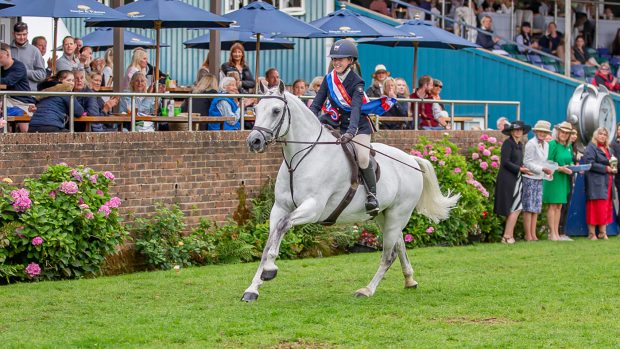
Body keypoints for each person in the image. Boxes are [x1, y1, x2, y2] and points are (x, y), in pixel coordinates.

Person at [309, 39, 396, 215]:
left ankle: (372, 195)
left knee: (363, 158)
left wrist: (351, 131)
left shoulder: (357, 82)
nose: (337, 62)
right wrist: (309, 121)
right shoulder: (328, 79)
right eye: (334, 59)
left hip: (358, 126)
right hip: (335, 124)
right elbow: (316, 104)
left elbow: (356, 109)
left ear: (351, 61)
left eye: (341, 59)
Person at [494, 120, 532, 244]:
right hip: (507, 179)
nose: (518, 132)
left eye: (520, 130)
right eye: (515, 130)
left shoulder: (519, 144)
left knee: (516, 207)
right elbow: (505, 162)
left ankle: (508, 235)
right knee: (514, 207)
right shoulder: (507, 143)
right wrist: (520, 169)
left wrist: (525, 170)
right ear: (511, 131)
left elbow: (518, 162)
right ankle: (507, 236)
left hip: (517, 178)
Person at [542, 122, 574, 241]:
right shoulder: (552, 144)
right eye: (562, 132)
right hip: (554, 177)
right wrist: (561, 168)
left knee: (559, 206)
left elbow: (569, 160)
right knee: (553, 205)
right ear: (558, 132)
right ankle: (552, 234)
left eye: (567, 133)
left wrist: (572, 166)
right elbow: (548, 162)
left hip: (564, 178)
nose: (564, 134)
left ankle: (556, 233)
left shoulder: (568, 146)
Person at [522, 120, 554, 241]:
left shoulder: (546, 145)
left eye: (545, 132)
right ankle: (528, 235)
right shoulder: (531, 143)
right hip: (530, 178)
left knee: (535, 208)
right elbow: (527, 162)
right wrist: (542, 169)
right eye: (540, 131)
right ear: (536, 131)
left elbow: (544, 162)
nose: (542, 134)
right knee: (529, 207)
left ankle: (533, 234)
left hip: (539, 177)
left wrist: (547, 173)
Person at [583, 127, 615, 240]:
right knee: (594, 207)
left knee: (605, 207)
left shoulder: (608, 149)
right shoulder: (591, 147)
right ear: (596, 135)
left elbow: (612, 162)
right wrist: (605, 168)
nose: (602, 136)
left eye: (605, 134)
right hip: (595, 181)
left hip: (607, 182)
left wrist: (613, 168)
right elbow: (589, 163)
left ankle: (602, 232)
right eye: (600, 134)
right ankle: (592, 233)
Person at [9, 22, 47, 92]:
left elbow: (42, 75)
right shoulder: (7, 50)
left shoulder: (35, 51)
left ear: (27, 33)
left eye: (24, 34)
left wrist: (24, 72)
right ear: (13, 34)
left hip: (29, 94)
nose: (22, 37)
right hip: (9, 93)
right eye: (18, 35)